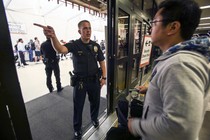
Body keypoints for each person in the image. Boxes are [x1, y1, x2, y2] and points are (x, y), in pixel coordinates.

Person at [128, 0, 210, 140]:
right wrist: (154, 88)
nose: (150, 28)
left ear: (173, 27)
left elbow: (180, 128)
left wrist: (136, 126)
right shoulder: (177, 61)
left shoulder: (180, 65)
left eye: (154, 23)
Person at [41, 20, 106, 140]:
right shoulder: (74, 45)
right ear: (79, 31)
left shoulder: (95, 46)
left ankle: (94, 119)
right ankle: (77, 129)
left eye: (89, 28)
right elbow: (60, 49)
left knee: (95, 103)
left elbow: (102, 61)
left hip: (94, 81)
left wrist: (104, 78)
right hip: (80, 82)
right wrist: (53, 37)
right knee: (78, 107)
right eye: (85, 28)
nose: (88, 31)